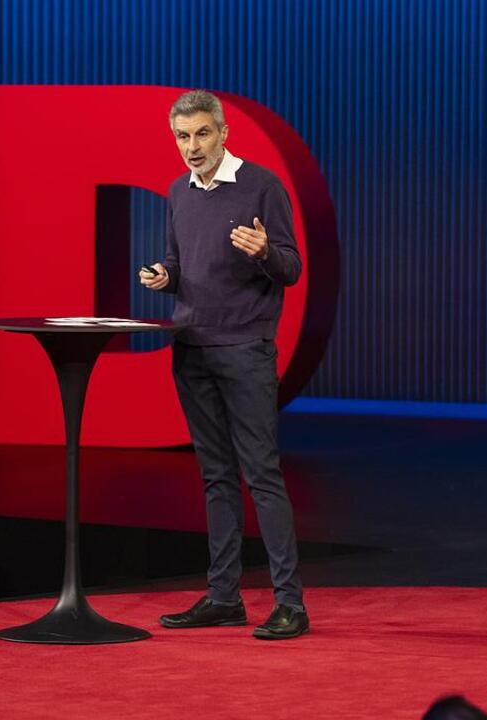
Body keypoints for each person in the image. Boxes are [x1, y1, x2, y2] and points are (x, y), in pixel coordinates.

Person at [142, 89, 308, 640]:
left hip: (245, 349)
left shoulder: (261, 186)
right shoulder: (177, 192)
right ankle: (223, 597)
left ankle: (291, 604)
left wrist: (264, 252)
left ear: (223, 132)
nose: (192, 147)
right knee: (215, 477)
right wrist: (165, 276)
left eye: (201, 134)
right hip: (191, 347)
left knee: (260, 475)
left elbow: (291, 268)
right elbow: (178, 259)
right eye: (182, 138)